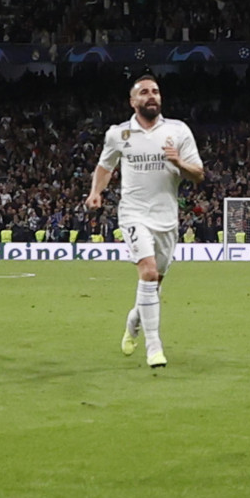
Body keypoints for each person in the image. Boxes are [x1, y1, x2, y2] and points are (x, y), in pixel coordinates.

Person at [85, 74, 205, 368]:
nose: (151, 96)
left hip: (166, 218)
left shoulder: (178, 131)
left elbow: (199, 174)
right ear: (133, 101)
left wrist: (178, 163)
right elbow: (105, 166)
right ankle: (154, 346)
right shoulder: (118, 134)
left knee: (155, 281)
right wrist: (95, 193)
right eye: (144, 92)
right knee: (148, 272)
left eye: (155, 91)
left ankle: (134, 320)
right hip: (134, 213)